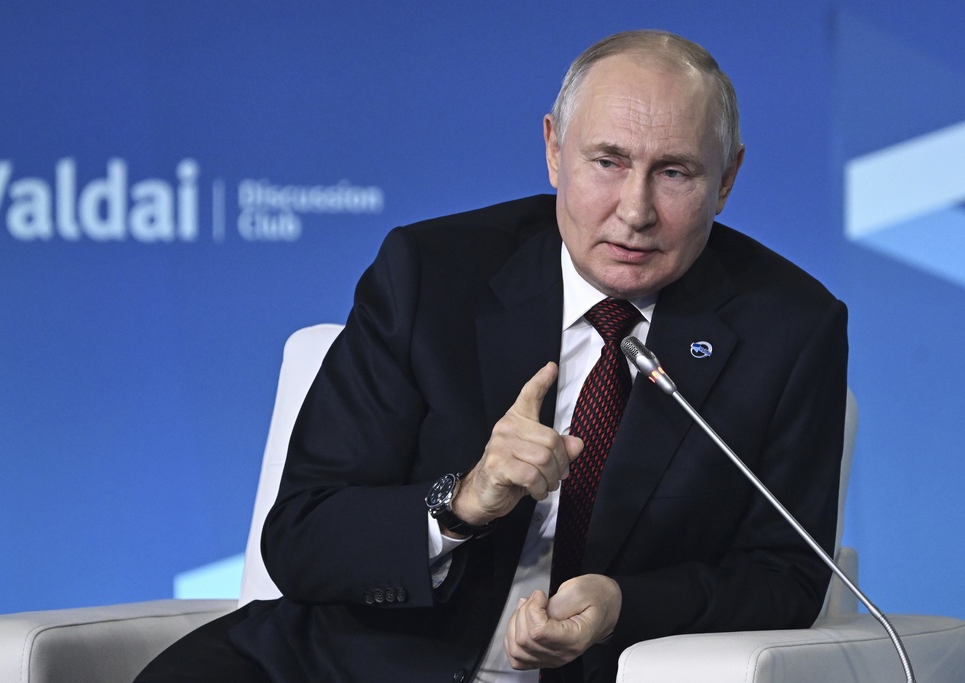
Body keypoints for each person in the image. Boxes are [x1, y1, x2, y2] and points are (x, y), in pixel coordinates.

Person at [137, 29, 848, 683]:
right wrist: (461, 502)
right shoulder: (431, 274)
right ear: (552, 149)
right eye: (607, 161)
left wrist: (623, 604)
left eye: (675, 173)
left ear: (727, 179)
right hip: (359, 661)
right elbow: (301, 534)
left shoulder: (789, 328)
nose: (635, 209)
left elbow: (785, 572)